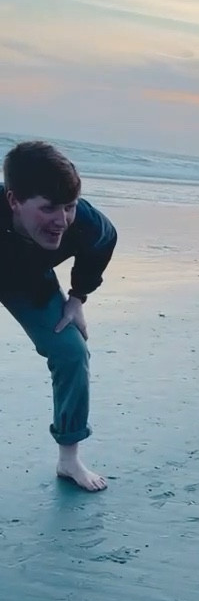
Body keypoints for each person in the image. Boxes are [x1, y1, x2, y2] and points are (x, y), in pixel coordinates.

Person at [1, 141, 117, 491]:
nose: (61, 220)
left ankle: (69, 460)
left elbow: (103, 243)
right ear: (14, 201)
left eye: (69, 207)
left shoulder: (87, 223)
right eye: (49, 208)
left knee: (71, 351)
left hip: (28, 284)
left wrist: (78, 297)